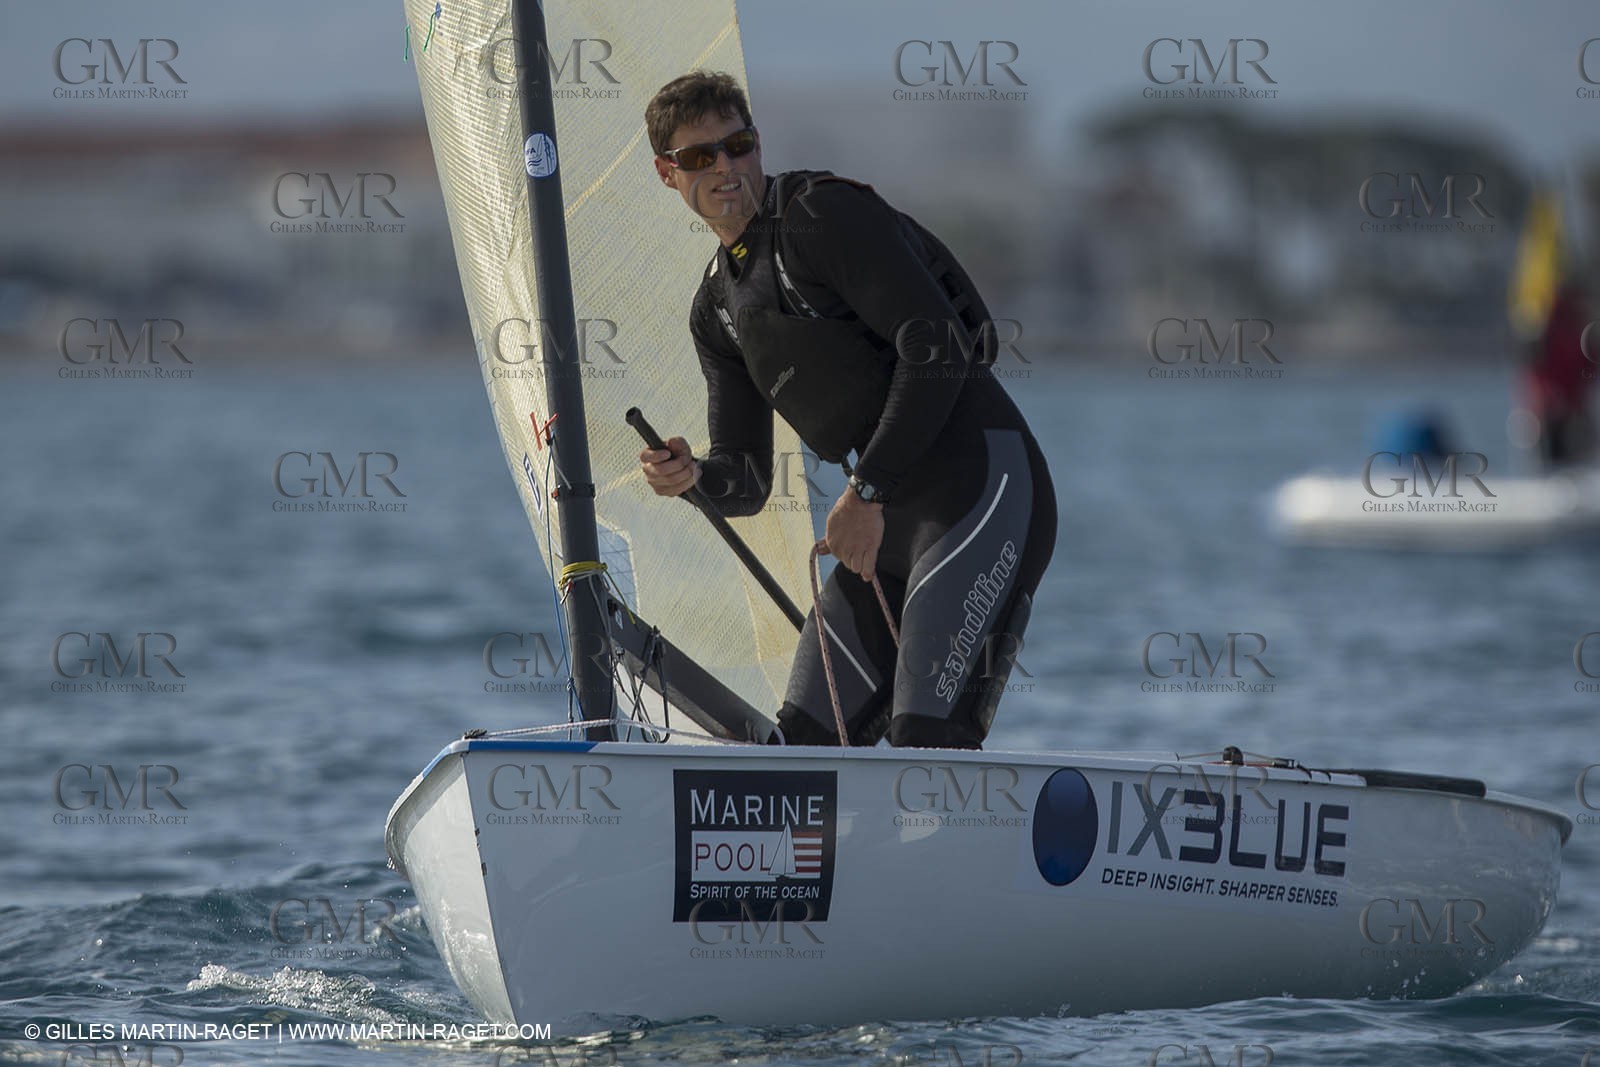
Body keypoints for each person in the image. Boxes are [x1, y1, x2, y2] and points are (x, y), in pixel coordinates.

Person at [638, 71, 1056, 749]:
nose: (725, 167)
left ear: (757, 143)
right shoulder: (716, 309)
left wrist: (865, 489)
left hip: (982, 490)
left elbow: (942, 348)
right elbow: (745, 481)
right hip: (885, 527)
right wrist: (693, 479)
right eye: (699, 156)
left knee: (925, 736)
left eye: (738, 144)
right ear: (667, 172)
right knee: (801, 744)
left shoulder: (820, 216)